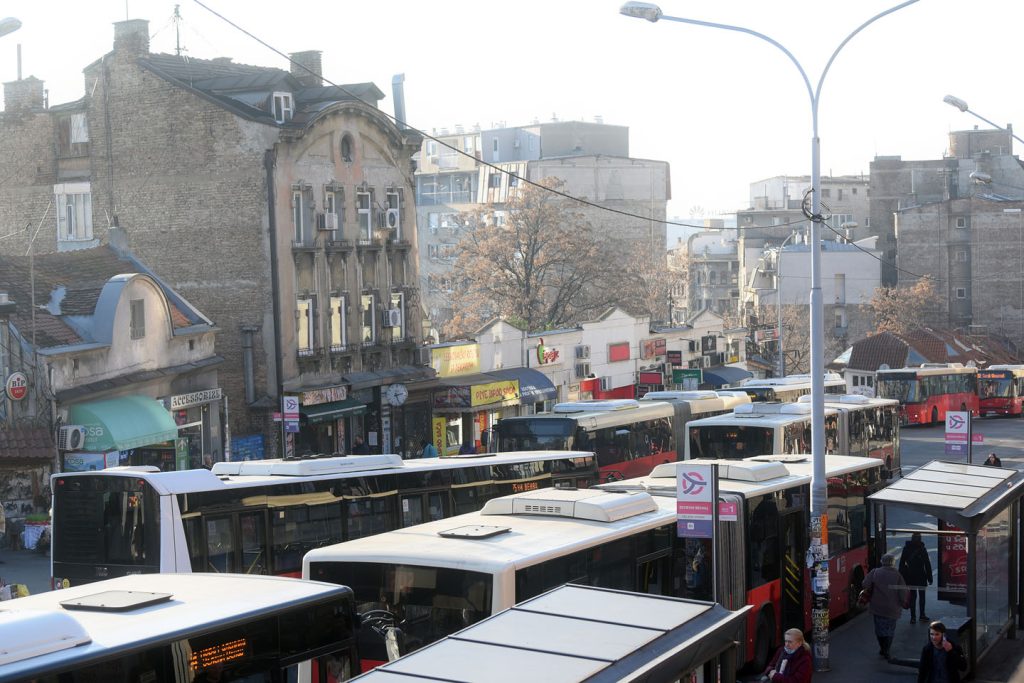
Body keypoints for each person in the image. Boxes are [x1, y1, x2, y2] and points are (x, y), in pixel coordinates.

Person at [862, 553, 908, 659]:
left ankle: (883, 648)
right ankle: (887, 649)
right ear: (893, 562)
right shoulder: (897, 574)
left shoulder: (875, 572)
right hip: (893, 607)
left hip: (878, 606)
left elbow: (865, 584)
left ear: (882, 561)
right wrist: (902, 602)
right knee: (890, 629)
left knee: (879, 628)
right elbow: (903, 591)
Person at [899, 532, 933, 624]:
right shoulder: (922, 549)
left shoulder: (906, 549)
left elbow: (901, 563)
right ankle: (922, 615)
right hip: (921, 575)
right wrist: (930, 577)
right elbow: (927, 564)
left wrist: (901, 577)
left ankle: (913, 617)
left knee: (912, 597)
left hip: (910, 575)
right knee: (922, 596)